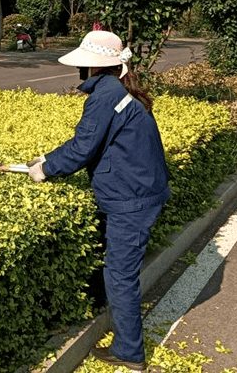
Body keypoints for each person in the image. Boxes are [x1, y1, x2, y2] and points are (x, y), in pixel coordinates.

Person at [25, 30, 170, 372]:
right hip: (138, 192)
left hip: (131, 200)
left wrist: (46, 170)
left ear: (91, 67)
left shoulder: (104, 95)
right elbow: (87, 141)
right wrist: (47, 157)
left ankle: (130, 353)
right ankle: (119, 332)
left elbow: (82, 149)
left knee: (120, 275)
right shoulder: (116, 90)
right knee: (118, 271)